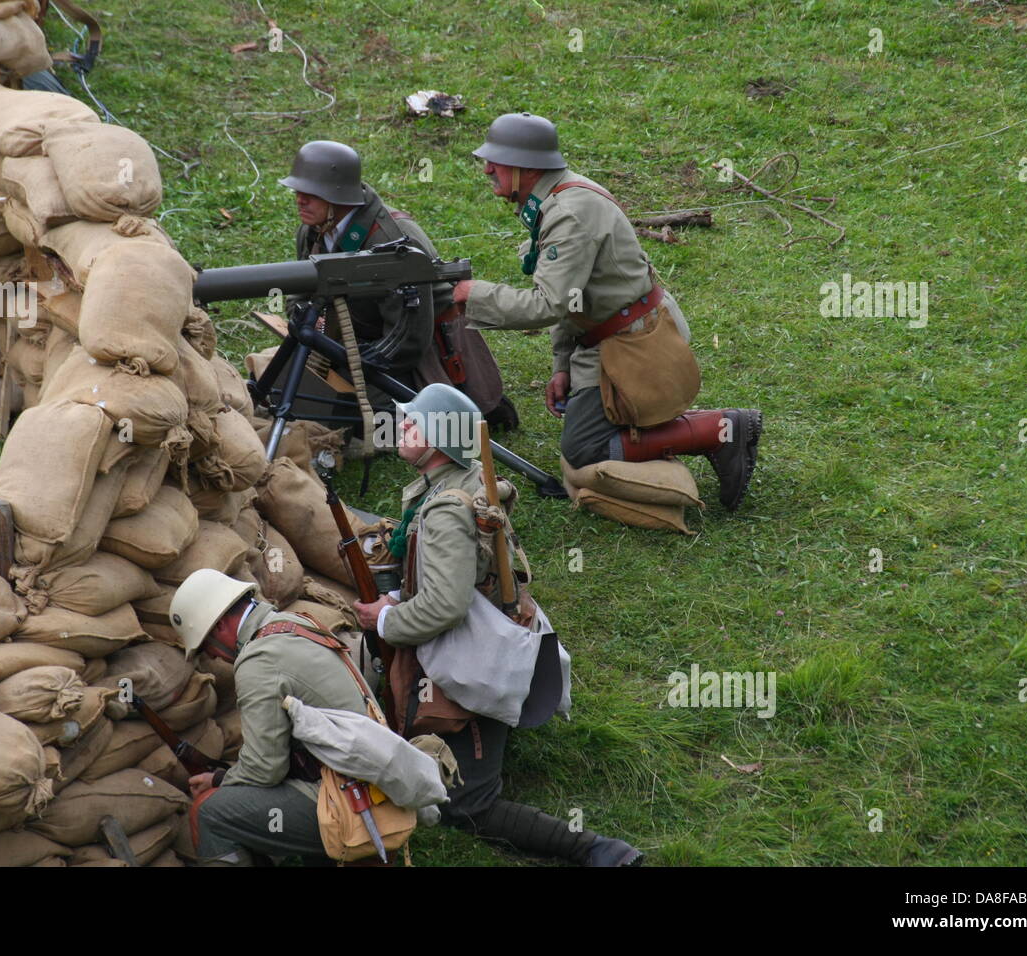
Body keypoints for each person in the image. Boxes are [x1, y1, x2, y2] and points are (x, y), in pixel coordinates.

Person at [352, 382, 643, 866]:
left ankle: (595, 850)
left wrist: (384, 618)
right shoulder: (455, 487)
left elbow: (444, 606)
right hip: (486, 634)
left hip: (473, 659)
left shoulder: (445, 510)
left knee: (466, 806)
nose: (400, 425)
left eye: (413, 421)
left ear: (441, 437)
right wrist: (402, 595)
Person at [451, 113, 763, 511]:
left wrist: (473, 294)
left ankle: (720, 430)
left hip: (636, 343)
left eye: (497, 160)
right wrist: (562, 365)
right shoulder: (554, 198)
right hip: (609, 334)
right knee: (586, 438)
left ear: (527, 167)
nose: (487, 169)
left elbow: (550, 303)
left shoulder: (569, 212)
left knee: (582, 450)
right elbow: (574, 295)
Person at [279, 139, 517, 434]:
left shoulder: (392, 240)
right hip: (356, 338)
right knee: (290, 386)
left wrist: (352, 362)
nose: (300, 200)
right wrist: (310, 327)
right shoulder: (313, 229)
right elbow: (301, 288)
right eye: (298, 191)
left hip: (411, 352)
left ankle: (466, 402)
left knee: (345, 421)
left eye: (310, 194)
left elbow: (409, 339)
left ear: (337, 196)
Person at [170, 568, 368, 866]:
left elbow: (266, 769)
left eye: (206, 645)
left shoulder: (258, 661)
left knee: (209, 813)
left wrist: (221, 780)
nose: (211, 657)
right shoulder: (294, 623)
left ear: (221, 625)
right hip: (368, 781)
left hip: (348, 800)